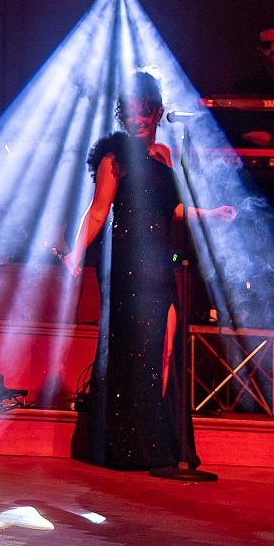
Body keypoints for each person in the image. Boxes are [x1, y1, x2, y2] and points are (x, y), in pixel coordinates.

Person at [64, 72, 235, 472]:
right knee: (134, 350)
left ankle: (159, 442)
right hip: (126, 265)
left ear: (157, 113)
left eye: (145, 112)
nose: (138, 119)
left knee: (166, 347)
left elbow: (172, 208)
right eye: (131, 112)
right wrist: (75, 252)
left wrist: (210, 214)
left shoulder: (163, 156)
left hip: (159, 263)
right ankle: (130, 443)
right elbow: (98, 211)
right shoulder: (114, 158)